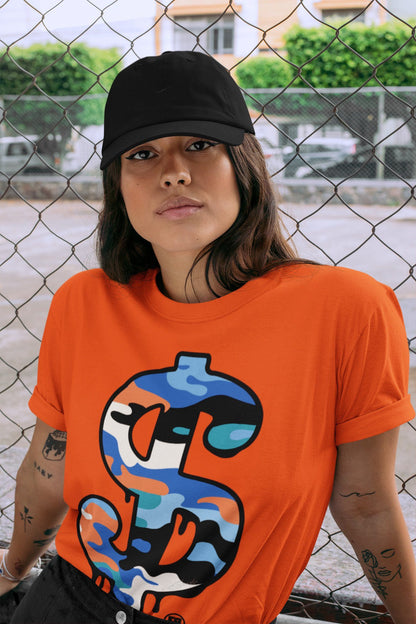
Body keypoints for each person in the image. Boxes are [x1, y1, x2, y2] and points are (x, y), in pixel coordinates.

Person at [0, 50, 415, 624]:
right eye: (142, 154)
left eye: (199, 144)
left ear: (244, 164)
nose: (173, 172)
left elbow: (365, 503)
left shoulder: (347, 310)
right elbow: (49, 469)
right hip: (63, 601)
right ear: (119, 187)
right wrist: (11, 572)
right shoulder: (84, 302)